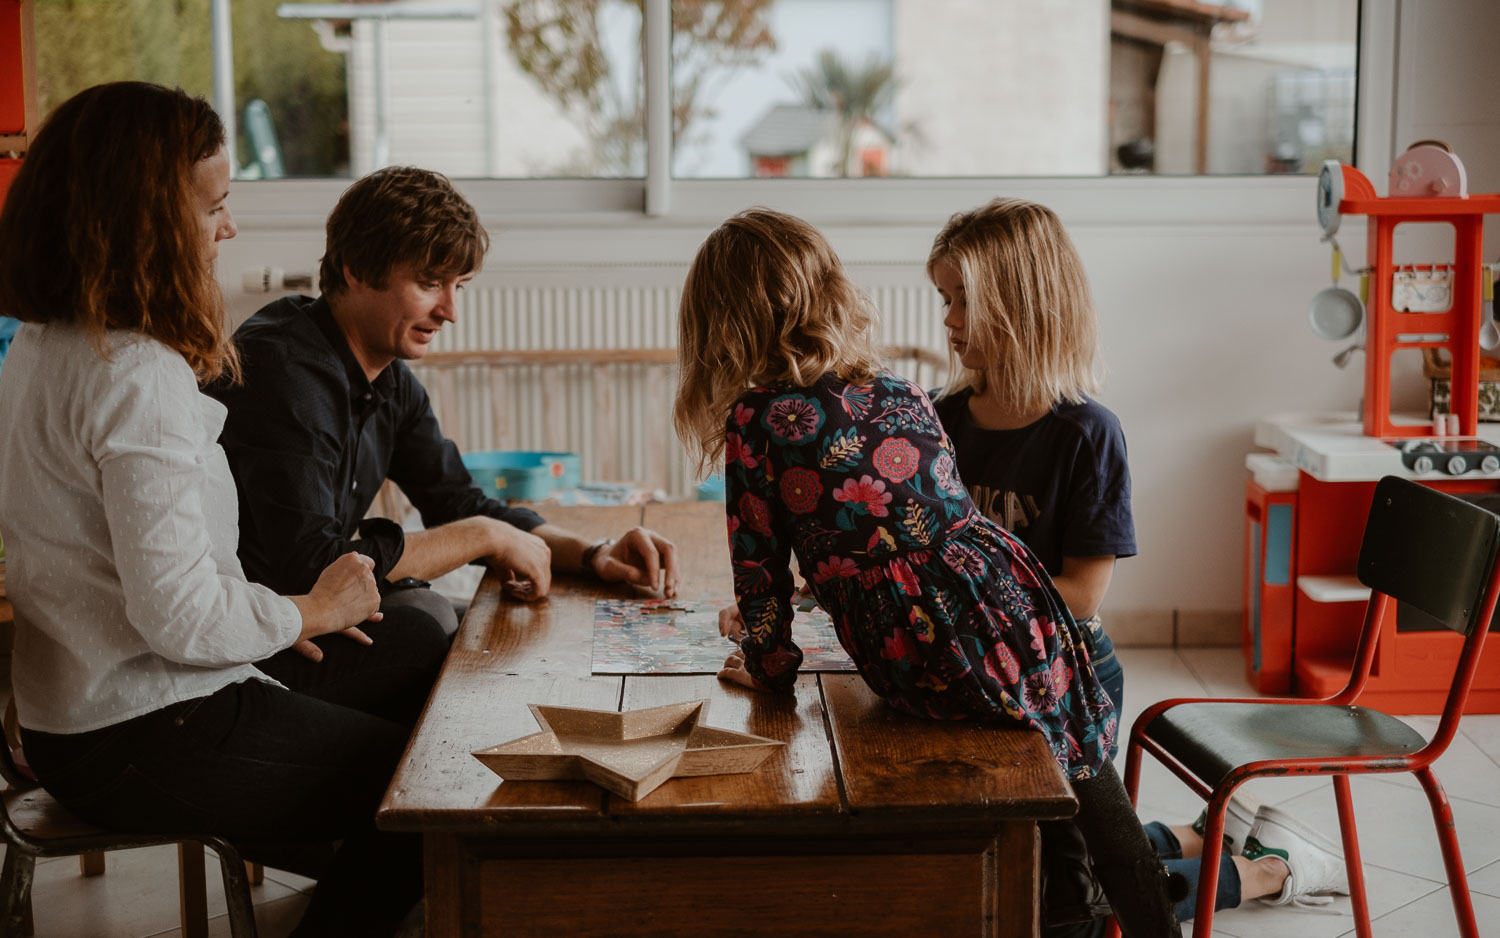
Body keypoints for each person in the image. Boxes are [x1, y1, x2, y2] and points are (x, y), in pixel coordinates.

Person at [0, 81, 444, 937]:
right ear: (148, 221)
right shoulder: (136, 375)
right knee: (424, 787)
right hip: (143, 724)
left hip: (78, 716)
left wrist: (281, 624)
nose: (227, 228)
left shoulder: (41, 346)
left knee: (415, 655)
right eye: (214, 207)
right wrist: (310, 608)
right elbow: (177, 615)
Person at [673, 207, 1179, 938]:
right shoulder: (903, 391)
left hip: (939, 654)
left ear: (724, 325)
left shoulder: (755, 421)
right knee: (1094, 817)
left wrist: (771, 665)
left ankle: (1137, 889)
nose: (950, 319)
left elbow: (760, 573)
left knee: (1060, 860)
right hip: (1022, 623)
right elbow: (905, 545)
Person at [928, 197, 1348, 932]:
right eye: (945, 299)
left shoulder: (1086, 434)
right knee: (1032, 860)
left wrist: (964, 606)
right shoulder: (941, 418)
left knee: (1066, 908)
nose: (949, 319)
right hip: (980, 668)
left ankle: (1265, 870)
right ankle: (1202, 834)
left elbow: (1083, 595)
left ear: (1023, 302)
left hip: (1067, 675)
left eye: (964, 299)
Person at [208, 166, 680, 636]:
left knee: (451, 623)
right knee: (431, 627)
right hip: (258, 634)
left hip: (317, 615)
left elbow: (454, 498)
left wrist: (596, 554)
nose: (450, 312)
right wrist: (483, 536)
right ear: (356, 269)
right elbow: (314, 568)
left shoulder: (388, 377)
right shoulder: (284, 376)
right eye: (431, 283)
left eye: (459, 287)